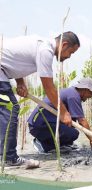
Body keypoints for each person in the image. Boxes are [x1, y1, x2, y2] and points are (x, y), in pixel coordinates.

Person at [0, 31, 80, 166]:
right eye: (71, 52)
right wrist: (64, 113)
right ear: (64, 44)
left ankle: (6, 155)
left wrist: (20, 82)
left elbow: (12, 60)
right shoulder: (45, 50)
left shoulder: (41, 45)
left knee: (5, 113)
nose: (69, 56)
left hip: (3, 70)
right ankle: (8, 157)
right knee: (11, 109)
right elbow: (48, 87)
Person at [27, 77, 92, 153]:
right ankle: (43, 144)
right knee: (73, 133)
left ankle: (61, 145)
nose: (90, 96)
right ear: (86, 90)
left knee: (71, 124)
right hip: (39, 126)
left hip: (41, 125)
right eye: (91, 93)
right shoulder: (73, 96)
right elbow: (82, 121)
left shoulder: (71, 93)